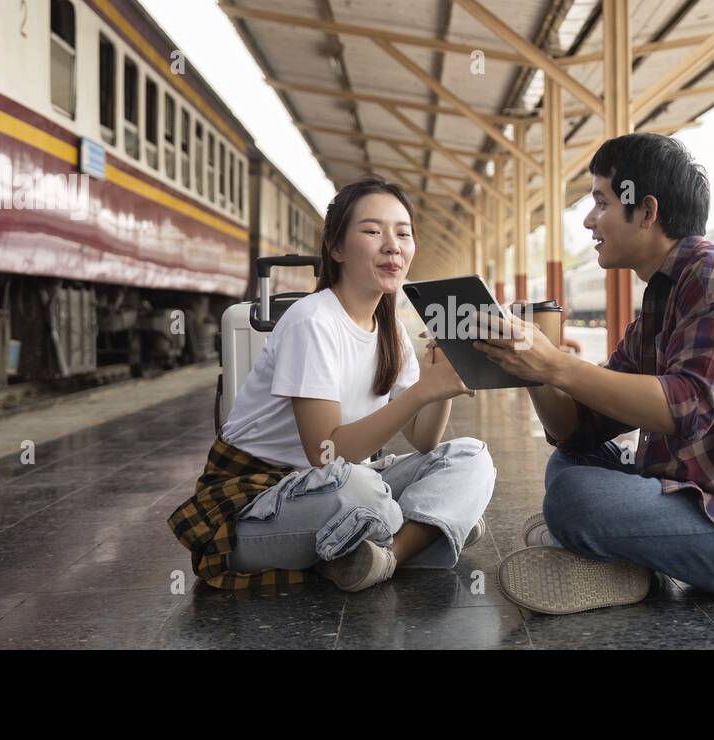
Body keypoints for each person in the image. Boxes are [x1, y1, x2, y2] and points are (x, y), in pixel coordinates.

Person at [476, 134, 714, 614]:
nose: (588, 220)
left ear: (646, 211)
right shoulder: (662, 297)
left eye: (600, 202)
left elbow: (689, 406)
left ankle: (621, 556)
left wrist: (556, 363)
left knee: (574, 498)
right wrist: (530, 368)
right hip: (713, 499)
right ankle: (624, 555)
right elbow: (579, 429)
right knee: (571, 465)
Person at [169, 177, 494, 593]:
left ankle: (388, 555)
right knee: (362, 489)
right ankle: (432, 528)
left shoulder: (390, 328)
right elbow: (326, 452)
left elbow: (425, 439)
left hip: (327, 490)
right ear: (336, 249)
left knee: (471, 458)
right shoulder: (313, 321)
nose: (392, 245)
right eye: (373, 231)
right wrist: (421, 392)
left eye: (404, 233)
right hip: (254, 508)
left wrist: (443, 382)